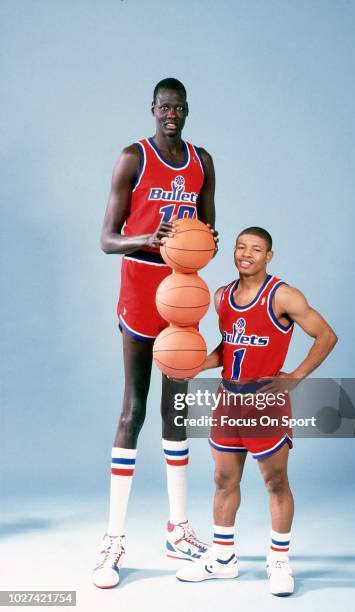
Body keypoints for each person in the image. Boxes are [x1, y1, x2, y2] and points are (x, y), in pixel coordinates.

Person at [93, 78, 217, 589]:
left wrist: (194, 247)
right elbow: (106, 239)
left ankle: (178, 528)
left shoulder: (202, 161)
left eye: (179, 106)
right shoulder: (132, 157)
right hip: (141, 290)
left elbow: (209, 232)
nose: (171, 113)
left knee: (177, 410)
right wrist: (152, 238)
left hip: (182, 295)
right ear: (152, 109)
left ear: (187, 110)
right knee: (134, 409)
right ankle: (114, 539)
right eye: (164, 106)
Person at [176, 227, 337, 596]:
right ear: (233, 252)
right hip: (228, 400)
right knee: (223, 480)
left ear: (269, 255)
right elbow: (228, 347)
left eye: (256, 249)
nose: (247, 254)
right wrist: (195, 364)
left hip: (265, 402)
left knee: (275, 482)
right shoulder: (222, 297)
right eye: (241, 247)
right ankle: (222, 559)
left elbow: (326, 335)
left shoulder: (284, 295)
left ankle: (279, 561)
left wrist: (296, 376)